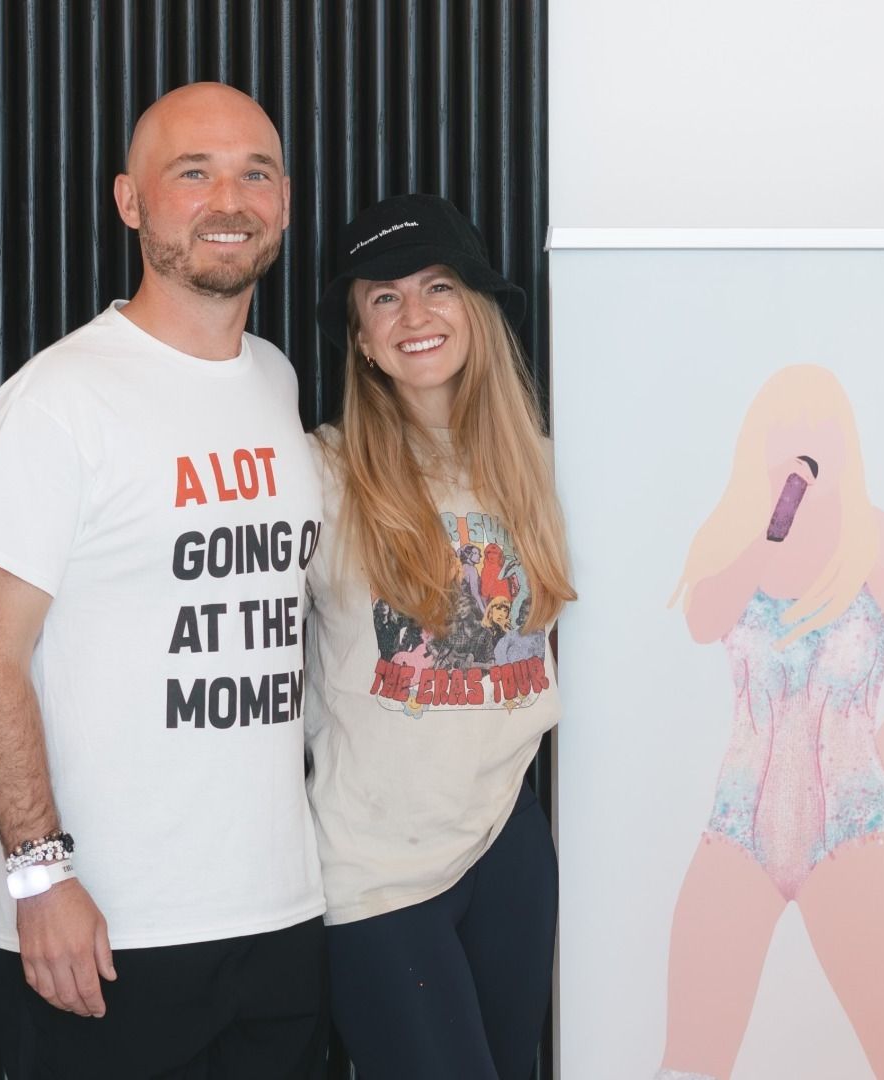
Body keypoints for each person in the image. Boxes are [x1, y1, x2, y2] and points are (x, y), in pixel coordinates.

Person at [0, 83, 328, 1077]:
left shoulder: (277, 382)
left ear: (284, 201)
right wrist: (39, 879)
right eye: (191, 173)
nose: (227, 199)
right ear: (131, 202)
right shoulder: (55, 404)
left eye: (254, 172)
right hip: (105, 932)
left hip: (280, 915)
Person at [304, 193, 572, 1079]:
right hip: (378, 870)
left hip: (509, 843)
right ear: (363, 340)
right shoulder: (320, 473)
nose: (414, 314)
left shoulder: (540, 461)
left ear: (479, 309)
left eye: (438, 286)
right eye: (384, 297)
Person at [656, 365, 884, 1080]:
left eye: (817, 434)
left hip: (853, 833)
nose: (801, 453)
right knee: (688, 1066)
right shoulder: (734, 542)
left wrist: (876, 760)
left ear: (844, 446)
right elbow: (703, 623)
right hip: (737, 833)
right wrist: (765, 531)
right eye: (783, 436)